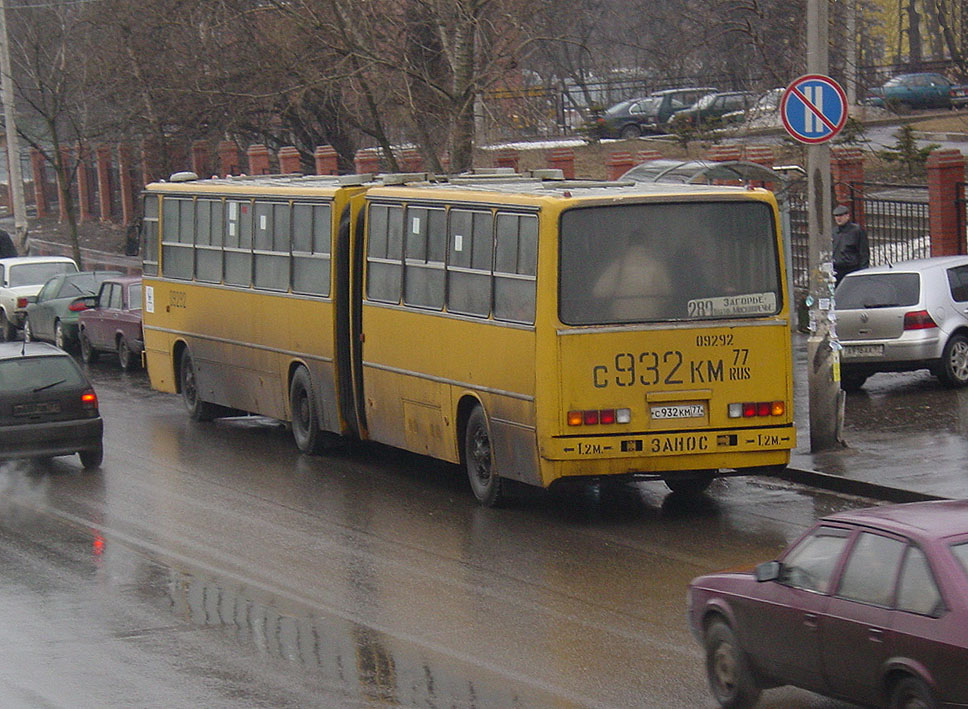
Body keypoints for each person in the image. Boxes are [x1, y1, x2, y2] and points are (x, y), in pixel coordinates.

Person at [832, 204, 869, 286]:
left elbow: (864, 253)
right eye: (836, 216)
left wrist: (862, 271)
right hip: (836, 270)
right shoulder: (834, 232)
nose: (838, 218)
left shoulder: (856, 231)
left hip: (851, 269)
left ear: (847, 216)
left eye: (841, 215)